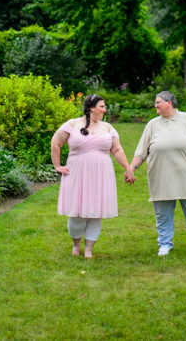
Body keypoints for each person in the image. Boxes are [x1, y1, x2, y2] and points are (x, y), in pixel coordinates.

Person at [129, 90, 186, 256]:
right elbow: (141, 153)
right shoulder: (152, 125)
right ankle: (165, 244)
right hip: (161, 176)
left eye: (158, 102)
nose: (155, 105)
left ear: (169, 103)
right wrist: (131, 170)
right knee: (162, 212)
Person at [51, 94, 135, 258]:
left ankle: (89, 249)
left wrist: (128, 169)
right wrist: (57, 166)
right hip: (77, 172)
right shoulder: (72, 124)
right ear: (91, 108)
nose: (105, 110)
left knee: (96, 211)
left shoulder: (108, 127)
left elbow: (117, 150)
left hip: (101, 173)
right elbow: (56, 143)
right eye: (102, 106)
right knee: (77, 212)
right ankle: (76, 245)